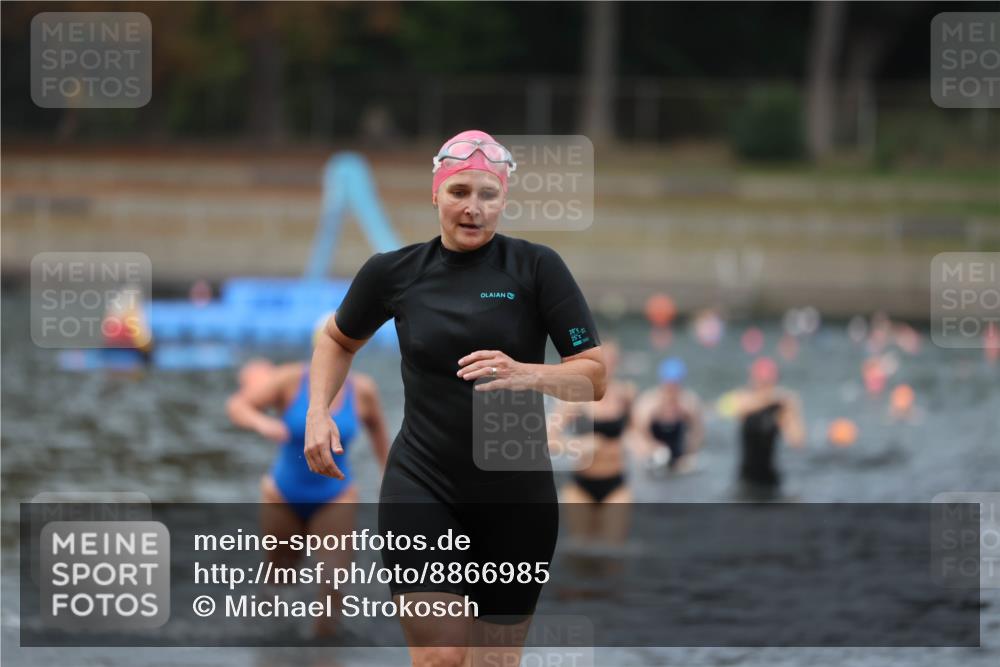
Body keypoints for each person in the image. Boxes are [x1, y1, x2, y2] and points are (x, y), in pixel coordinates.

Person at [304, 130, 605, 667]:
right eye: (459, 192)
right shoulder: (393, 273)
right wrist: (317, 412)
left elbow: (593, 376)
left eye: (487, 194)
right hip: (424, 481)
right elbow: (335, 338)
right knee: (441, 656)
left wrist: (528, 373)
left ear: (504, 199)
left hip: (517, 494)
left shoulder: (536, 269)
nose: (473, 208)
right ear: (436, 195)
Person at [226, 330, 390, 635]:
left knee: (333, 582)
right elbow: (238, 406)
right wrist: (263, 422)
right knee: (279, 578)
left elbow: (379, 433)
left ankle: (324, 652)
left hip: (335, 494)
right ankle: (268, 648)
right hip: (283, 494)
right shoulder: (290, 380)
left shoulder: (363, 390)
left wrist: (390, 478)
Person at [549, 340, 635, 534]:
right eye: (603, 361)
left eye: (612, 361)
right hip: (581, 485)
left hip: (615, 483)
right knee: (581, 549)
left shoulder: (625, 395)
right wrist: (579, 444)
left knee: (612, 549)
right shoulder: (575, 397)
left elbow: (636, 432)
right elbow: (549, 440)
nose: (607, 367)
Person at [729, 357, 805, 501]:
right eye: (760, 381)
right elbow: (738, 409)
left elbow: (797, 442)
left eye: (767, 382)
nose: (763, 385)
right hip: (746, 481)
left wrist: (793, 410)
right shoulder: (744, 397)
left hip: (771, 481)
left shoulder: (780, 409)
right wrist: (775, 397)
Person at [633, 358, 704, 475]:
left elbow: (697, 433)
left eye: (675, 384)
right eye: (669, 384)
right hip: (654, 453)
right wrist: (651, 450)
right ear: (663, 382)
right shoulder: (648, 402)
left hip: (680, 454)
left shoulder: (689, 402)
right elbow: (637, 434)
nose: (672, 388)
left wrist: (690, 452)